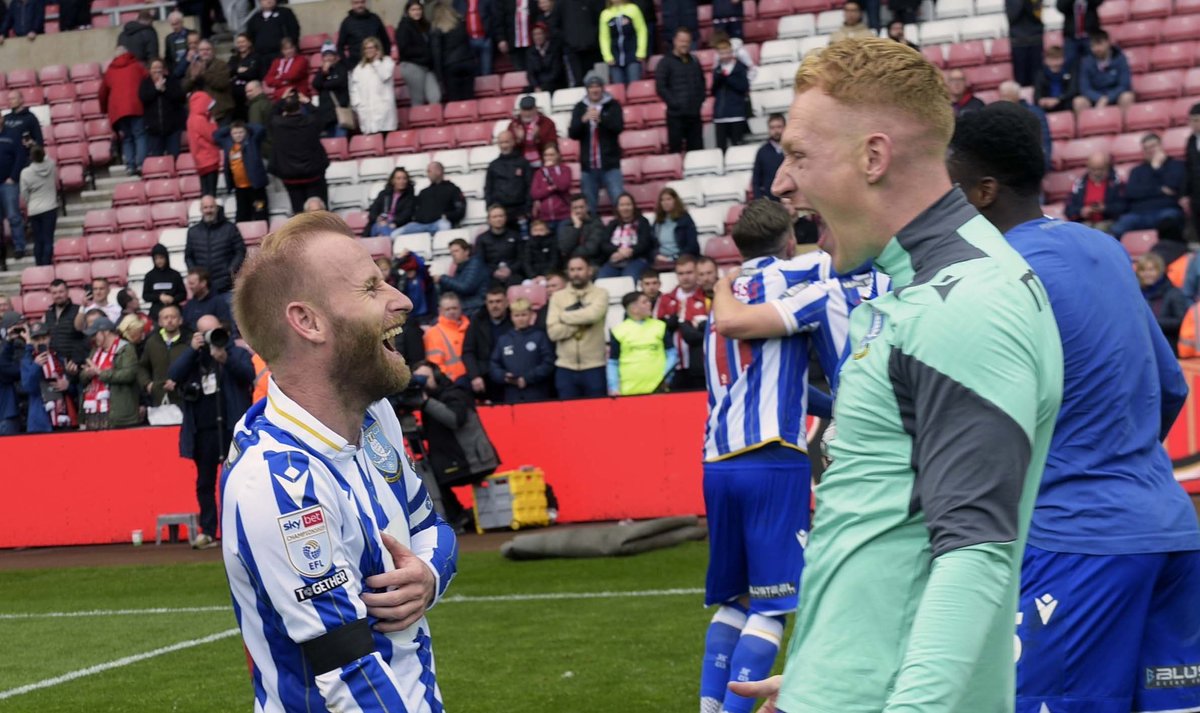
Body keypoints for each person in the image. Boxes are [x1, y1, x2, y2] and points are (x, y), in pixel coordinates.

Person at [730, 38, 1063, 713]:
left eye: (797, 155)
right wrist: (827, 668)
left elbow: (976, 554)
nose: (781, 184)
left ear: (873, 157)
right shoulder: (937, 283)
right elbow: (886, 523)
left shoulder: (964, 302)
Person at [946, 100, 1200, 713]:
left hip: (1076, 545)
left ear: (981, 191)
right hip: (1170, 530)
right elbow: (1171, 388)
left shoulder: (995, 275)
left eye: (944, 183)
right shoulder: (1104, 249)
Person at [685, 199, 854, 713]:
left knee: (734, 599)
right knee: (775, 603)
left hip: (717, 462)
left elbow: (786, 383)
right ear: (788, 243)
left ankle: (711, 708)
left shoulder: (727, 296)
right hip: (771, 457)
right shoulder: (803, 275)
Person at [171, 312, 253, 549]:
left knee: (240, 482)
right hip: (203, 430)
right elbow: (174, 375)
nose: (209, 337)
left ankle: (242, 530)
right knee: (205, 482)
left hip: (231, 428)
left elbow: (248, 376)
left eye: (213, 331)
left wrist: (225, 358)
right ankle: (208, 530)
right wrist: (191, 350)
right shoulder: (195, 358)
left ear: (223, 331)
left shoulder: (236, 353)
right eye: (203, 332)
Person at [411, 359, 498, 531]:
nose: (422, 383)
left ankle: (458, 517)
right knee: (424, 476)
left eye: (425, 378)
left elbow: (455, 419)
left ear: (437, 376)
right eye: (417, 379)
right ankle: (460, 516)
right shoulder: (431, 400)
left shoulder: (455, 392)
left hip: (473, 461)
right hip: (455, 460)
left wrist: (425, 402)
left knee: (431, 478)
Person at [546, 255, 608, 398]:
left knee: (596, 414)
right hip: (565, 368)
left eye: (580, 269)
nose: (576, 273)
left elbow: (593, 315)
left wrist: (564, 317)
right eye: (572, 269)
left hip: (594, 366)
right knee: (568, 416)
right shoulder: (557, 297)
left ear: (589, 271)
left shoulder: (601, 294)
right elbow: (553, 332)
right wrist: (583, 323)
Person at [1111, 133, 1187, 239]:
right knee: (1118, 228)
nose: (1150, 150)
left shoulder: (1176, 165)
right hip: (1139, 213)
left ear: (1161, 146)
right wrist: (1160, 189)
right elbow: (1131, 192)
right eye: (1146, 148)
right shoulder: (1136, 171)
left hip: (1166, 210)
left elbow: (1173, 186)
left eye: (1153, 146)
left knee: (1170, 223)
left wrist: (1156, 168)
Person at [569, 74, 625, 215]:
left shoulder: (613, 105)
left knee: (619, 203)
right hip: (588, 167)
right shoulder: (580, 107)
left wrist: (601, 120)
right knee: (589, 208)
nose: (595, 90)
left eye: (597, 86)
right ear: (587, 89)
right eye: (591, 87)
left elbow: (618, 127)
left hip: (610, 164)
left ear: (602, 88)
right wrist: (583, 120)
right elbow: (573, 134)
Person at [270, 93, 330, 214]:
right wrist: (307, 101)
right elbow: (320, 116)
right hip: (313, 173)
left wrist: (282, 99)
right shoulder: (310, 122)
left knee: (298, 213)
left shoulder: (278, 124)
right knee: (320, 211)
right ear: (299, 107)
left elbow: (271, 115)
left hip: (289, 175)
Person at [77, 316, 142, 430]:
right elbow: (82, 377)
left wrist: (100, 373)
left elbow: (129, 374)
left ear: (106, 332)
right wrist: (88, 373)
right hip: (94, 411)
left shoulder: (126, 349)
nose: (93, 338)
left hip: (116, 411)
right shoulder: (95, 351)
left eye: (95, 334)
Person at [607, 291, 675, 396]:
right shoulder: (618, 331)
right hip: (629, 391)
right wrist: (613, 387)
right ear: (633, 308)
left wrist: (665, 377)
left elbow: (672, 354)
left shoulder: (660, 326)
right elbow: (613, 362)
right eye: (644, 302)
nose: (649, 304)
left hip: (658, 391)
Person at [655, 254, 707, 391]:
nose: (685, 277)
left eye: (689, 272)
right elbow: (657, 328)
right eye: (681, 273)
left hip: (701, 364)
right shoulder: (666, 299)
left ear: (697, 272)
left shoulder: (706, 296)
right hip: (674, 365)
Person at [489, 297, 555, 402]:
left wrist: (528, 378)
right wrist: (503, 376)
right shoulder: (504, 339)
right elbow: (494, 364)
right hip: (511, 394)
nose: (520, 319)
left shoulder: (540, 336)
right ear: (511, 317)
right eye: (517, 315)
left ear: (531, 315)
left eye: (524, 315)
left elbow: (548, 363)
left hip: (537, 393)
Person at [186, 195, 247, 303]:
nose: (208, 210)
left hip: (226, 286)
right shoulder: (192, 232)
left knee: (228, 319)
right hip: (203, 290)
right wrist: (197, 276)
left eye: (211, 207)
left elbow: (240, 251)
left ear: (216, 208)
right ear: (201, 209)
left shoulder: (230, 228)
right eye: (205, 207)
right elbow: (188, 256)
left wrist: (231, 270)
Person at [100, 45, 149, 177]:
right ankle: (141, 164)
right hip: (136, 106)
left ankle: (130, 165)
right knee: (139, 135)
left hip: (118, 111)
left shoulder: (110, 70)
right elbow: (148, 79)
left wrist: (104, 109)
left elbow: (102, 93)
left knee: (127, 138)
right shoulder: (137, 66)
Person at [20, 321, 77, 433]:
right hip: (40, 419)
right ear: (31, 341)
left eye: (44, 338)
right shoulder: (28, 361)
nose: (41, 342)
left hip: (62, 417)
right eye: (36, 339)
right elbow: (28, 387)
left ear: (49, 337)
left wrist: (68, 385)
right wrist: (36, 366)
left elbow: (74, 391)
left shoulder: (60, 359)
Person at [657, 28, 706, 154]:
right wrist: (675, 104)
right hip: (676, 116)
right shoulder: (665, 62)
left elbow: (702, 83)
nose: (684, 44)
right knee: (675, 151)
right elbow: (661, 87)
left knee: (697, 151)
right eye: (681, 41)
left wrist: (699, 101)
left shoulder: (695, 61)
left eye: (687, 41)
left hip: (694, 114)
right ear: (675, 41)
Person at [463, 285, 512, 401]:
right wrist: (475, 376)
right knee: (461, 384)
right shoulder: (477, 320)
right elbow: (468, 351)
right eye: (491, 302)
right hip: (484, 373)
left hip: (509, 372)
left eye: (498, 301)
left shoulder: (514, 319)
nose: (494, 306)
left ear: (506, 303)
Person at [215, 121, 269, 222]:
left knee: (260, 212)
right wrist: (231, 126)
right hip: (240, 189)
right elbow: (216, 135)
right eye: (235, 133)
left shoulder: (252, 141)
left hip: (256, 188)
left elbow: (260, 129)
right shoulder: (228, 144)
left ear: (246, 132)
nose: (238, 135)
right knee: (242, 216)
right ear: (231, 134)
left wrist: (245, 125)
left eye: (241, 132)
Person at [1138, 251, 1191, 351]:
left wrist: (1153, 323)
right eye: (1143, 270)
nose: (1147, 274)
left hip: (1167, 345)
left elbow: (1181, 321)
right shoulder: (1137, 293)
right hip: (1143, 344)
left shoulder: (1173, 293)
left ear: (1160, 271)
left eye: (1151, 270)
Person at [1074, 30, 1135, 115]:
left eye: (1099, 44)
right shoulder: (1086, 62)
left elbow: (1124, 84)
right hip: (1095, 98)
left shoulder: (1120, 58)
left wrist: (1108, 98)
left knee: (1127, 97)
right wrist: (1099, 98)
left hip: (1115, 96)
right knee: (1079, 102)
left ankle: (1125, 126)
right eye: (1093, 46)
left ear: (1108, 43)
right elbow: (1085, 88)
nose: (1096, 49)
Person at [998, 81, 1052, 171]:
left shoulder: (1034, 114)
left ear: (1017, 96)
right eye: (1003, 96)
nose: (1005, 100)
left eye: (1008, 96)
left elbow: (1044, 141)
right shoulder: (996, 115)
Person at [598, 192, 655, 278]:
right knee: (602, 277)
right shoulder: (612, 224)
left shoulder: (643, 222)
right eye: (622, 205)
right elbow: (604, 244)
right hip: (615, 259)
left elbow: (645, 243)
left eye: (628, 204)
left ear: (633, 206)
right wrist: (618, 250)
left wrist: (629, 252)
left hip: (636, 259)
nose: (625, 208)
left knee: (629, 278)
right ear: (617, 208)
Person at [396, 0, 441, 107]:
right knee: (418, 100)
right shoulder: (403, 26)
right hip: (413, 66)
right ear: (407, 12)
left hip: (427, 66)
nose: (417, 12)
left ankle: (434, 121)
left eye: (419, 9)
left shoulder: (425, 25)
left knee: (435, 96)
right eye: (413, 10)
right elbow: (404, 49)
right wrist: (425, 52)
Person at [430, 0, 477, 102]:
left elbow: (436, 53)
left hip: (451, 66)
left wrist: (439, 76)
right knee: (469, 98)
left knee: (455, 101)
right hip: (467, 62)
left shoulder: (437, 29)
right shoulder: (460, 23)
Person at [1066, 151, 1124, 232]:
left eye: (1100, 169)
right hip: (1084, 222)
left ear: (1107, 167)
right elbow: (1068, 209)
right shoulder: (1079, 184)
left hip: (1108, 222)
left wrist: (1105, 208)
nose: (1097, 173)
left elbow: (1124, 207)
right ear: (1088, 168)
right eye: (1093, 169)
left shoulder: (1116, 183)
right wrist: (1081, 211)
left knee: (1100, 229)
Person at [403, 162, 467, 234]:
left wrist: (445, 216)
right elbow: (416, 210)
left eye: (429, 171)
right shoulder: (424, 192)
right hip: (421, 225)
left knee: (444, 226)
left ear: (438, 172)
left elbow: (460, 210)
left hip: (439, 223)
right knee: (395, 234)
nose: (427, 174)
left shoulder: (453, 189)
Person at [140, 59, 186, 159]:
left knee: (174, 157)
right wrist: (156, 89)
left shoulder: (172, 81)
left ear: (164, 70)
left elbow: (181, 98)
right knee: (156, 159)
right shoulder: (145, 83)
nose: (157, 71)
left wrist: (165, 90)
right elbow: (144, 98)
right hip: (154, 130)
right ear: (149, 70)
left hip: (172, 129)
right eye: (154, 68)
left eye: (159, 68)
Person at [351, 37, 398, 135]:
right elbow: (354, 90)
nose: (368, 51)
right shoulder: (359, 68)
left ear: (377, 49)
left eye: (371, 47)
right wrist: (357, 106)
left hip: (384, 113)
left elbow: (385, 76)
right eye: (366, 48)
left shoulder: (387, 62)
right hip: (367, 115)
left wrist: (376, 62)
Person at [485, 131, 533, 227]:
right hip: (500, 212)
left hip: (520, 211)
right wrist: (491, 208)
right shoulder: (493, 165)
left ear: (513, 142)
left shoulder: (523, 163)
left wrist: (527, 209)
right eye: (501, 143)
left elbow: (530, 186)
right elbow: (488, 189)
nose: (504, 145)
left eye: (507, 142)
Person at [20, 146, 57, 267]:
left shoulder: (26, 173)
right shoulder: (51, 165)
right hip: (50, 207)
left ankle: (39, 265)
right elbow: (47, 158)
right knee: (48, 240)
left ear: (31, 157)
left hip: (34, 209)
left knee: (38, 240)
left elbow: (24, 194)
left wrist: (29, 203)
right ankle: (47, 264)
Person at [712, 36, 751, 151]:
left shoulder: (740, 68)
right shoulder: (717, 69)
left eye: (727, 52)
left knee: (737, 147)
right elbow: (713, 91)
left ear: (731, 52)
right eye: (721, 53)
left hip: (736, 114)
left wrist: (727, 78)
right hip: (720, 116)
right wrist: (719, 78)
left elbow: (743, 87)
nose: (724, 56)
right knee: (721, 148)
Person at [182, 40, 234, 124]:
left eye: (208, 49)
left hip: (220, 113)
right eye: (202, 50)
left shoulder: (222, 65)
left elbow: (222, 83)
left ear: (213, 51)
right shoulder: (192, 66)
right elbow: (184, 87)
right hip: (200, 114)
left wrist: (204, 73)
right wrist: (192, 78)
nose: (205, 52)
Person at [424, 292, 472, 382]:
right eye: (447, 309)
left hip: (474, 380)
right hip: (452, 383)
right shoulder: (433, 333)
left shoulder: (471, 328)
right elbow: (435, 364)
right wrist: (449, 381)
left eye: (454, 308)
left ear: (460, 308)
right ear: (440, 311)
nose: (452, 312)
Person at [599, 0, 648, 85]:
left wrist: (641, 52)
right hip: (615, 57)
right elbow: (604, 37)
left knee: (635, 85)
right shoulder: (605, 14)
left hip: (633, 55)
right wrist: (607, 56)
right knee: (618, 87)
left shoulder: (633, 9)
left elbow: (641, 31)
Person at [436, 239, 489, 313]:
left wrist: (442, 278)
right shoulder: (461, 266)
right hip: (467, 303)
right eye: (451, 252)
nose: (453, 254)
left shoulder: (476, 264)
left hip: (476, 305)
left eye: (456, 251)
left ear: (466, 252)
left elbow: (466, 287)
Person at [44, 279, 88, 367]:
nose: (58, 295)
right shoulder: (48, 313)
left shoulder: (78, 310)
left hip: (74, 363)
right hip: (55, 363)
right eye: (54, 293)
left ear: (67, 292)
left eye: (61, 292)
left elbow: (80, 328)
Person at [477, 204, 524, 286]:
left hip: (514, 275)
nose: (498, 219)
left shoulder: (515, 236)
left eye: (501, 216)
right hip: (491, 277)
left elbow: (522, 258)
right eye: (494, 217)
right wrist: (493, 271)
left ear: (505, 218)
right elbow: (479, 262)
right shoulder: (481, 239)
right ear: (489, 220)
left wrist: (510, 270)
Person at [312, 43, 351, 138]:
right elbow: (315, 84)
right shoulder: (321, 71)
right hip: (325, 115)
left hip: (339, 114)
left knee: (339, 142)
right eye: (325, 55)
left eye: (330, 55)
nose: (328, 58)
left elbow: (339, 82)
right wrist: (323, 73)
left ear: (335, 56)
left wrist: (324, 84)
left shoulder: (342, 68)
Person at [652, 187, 699, 265]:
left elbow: (692, 245)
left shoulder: (685, 219)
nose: (665, 202)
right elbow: (652, 245)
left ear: (675, 201)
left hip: (682, 259)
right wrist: (656, 255)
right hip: (661, 259)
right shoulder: (657, 222)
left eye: (668, 199)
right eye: (662, 200)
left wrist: (675, 257)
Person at [245, 0, 300, 66]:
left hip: (282, 55)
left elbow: (294, 30)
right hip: (262, 58)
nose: (269, 1)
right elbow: (250, 37)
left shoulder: (285, 13)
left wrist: (288, 48)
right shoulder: (254, 19)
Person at [530, 144, 571, 233]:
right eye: (546, 155)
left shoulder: (565, 169)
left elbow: (563, 186)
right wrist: (550, 189)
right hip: (545, 218)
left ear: (558, 155)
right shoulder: (539, 173)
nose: (549, 158)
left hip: (563, 217)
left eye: (552, 155)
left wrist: (551, 170)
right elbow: (535, 194)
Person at [186, 93, 221, 197]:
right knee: (211, 193)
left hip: (200, 160)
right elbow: (213, 136)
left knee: (205, 192)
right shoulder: (200, 119)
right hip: (209, 158)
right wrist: (213, 124)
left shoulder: (190, 119)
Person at [508, 96, 558, 169]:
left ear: (535, 109)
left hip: (543, 164)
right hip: (521, 167)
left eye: (530, 110)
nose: (527, 113)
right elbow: (509, 149)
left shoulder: (547, 123)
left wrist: (538, 138)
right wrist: (518, 140)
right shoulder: (513, 125)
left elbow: (552, 145)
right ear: (520, 110)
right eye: (524, 110)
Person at [143, 244, 187, 322]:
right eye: (156, 258)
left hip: (174, 309)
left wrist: (173, 299)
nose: (159, 261)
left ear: (166, 258)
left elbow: (183, 294)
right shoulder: (149, 276)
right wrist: (159, 297)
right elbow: (145, 296)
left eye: (161, 258)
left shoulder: (175, 274)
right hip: (156, 312)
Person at [338, 0, 391, 66]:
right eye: (356, 3)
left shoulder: (375, 19)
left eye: (362, 2)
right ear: (352, 4)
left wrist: (384, 58)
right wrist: (348, 64)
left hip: (377, 63)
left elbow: (386, 41)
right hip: (356, 65)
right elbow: (339, 47)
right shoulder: (346, 23)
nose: (360, 5)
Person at [367, 168, 417, 237]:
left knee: (382, 233)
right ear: (393, 180)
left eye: (404, 178)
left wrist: (394, 223)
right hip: (379, 223)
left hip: (397, 225)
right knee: (379, 228)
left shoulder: (410, 197)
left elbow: (407, 214)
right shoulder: (384, 194)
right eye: (398, 178)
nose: (402, 181)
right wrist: (377, 219)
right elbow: (373, 210)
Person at [558, 194, 604, 265]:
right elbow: (564, 248)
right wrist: (577, 227)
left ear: (587, 207)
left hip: (591, 263)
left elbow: (591, 249)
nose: (579, 210)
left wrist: (571, 253)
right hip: (570, 265)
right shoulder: (565, 225)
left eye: (581, 207)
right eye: (575, 208)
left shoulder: (596, 223)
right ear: (571, 209)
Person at [1007, 0, 1043, 87]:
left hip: (1035, 40)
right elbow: (1012, 17)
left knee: (1037, 78)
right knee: (1021, 79)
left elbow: (1037, 16)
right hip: (1018, 42)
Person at [1058, 0, 1101, 71]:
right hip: (1071, 37)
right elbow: (1060, 7)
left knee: (1093, 64)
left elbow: (1098, 2)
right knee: (1070, 65)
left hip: (1090, 36)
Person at [0, 313, 25, 435]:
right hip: (7, 410)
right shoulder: (4, 349)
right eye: (16, 327)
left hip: (25, 404)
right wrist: (8, 341)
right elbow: (5, 368)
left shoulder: (29, 345)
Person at [1034, 45, 1077, 113]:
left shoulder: (1069, 72)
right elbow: (1037, 95)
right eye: (1051, 59)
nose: (1054, 62)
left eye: (1057, 58)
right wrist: (1042, 101)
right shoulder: (1040, 74)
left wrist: (1058, 99)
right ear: (1045, 60)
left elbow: (1072, 90)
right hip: (1047, 105)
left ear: (1063, 59)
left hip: (1064, 103)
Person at [752, 114, 786, 201]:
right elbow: (756, 181)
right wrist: (760, 200)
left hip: (793, 201)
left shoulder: (793, 149)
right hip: (772, 203)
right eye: (772, 127)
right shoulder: (762, 152)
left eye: (779, 127)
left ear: (785, 127)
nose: (776, 131)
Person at [525, 22, 565, 93]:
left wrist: (541, 86)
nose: (537, 37)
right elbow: (530, 74)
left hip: (554, 83)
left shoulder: (555, 49)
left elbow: (556, 72)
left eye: (540, 34)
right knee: (525, 92)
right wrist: (536, 86)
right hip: (538, 85)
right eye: (535, 34)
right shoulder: (530, 52)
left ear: (546, 34)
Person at [1187, 103, 1200, 240]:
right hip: (1196, 191)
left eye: (1196, 120)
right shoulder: (1191, 141)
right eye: (1191, 120)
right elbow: (1188, 167)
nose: (1193, 124)